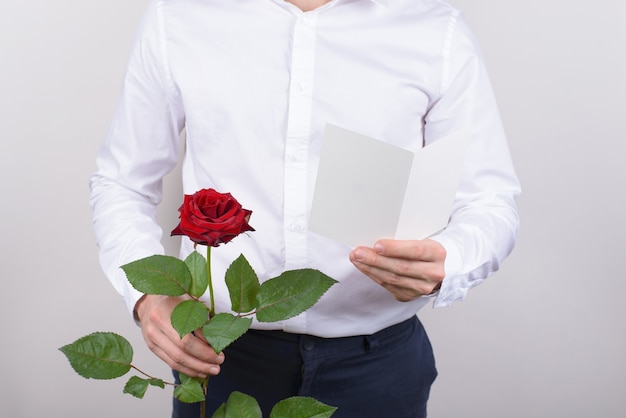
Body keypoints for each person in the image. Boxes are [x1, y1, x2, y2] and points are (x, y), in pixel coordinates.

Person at [89, 0, 520, 416]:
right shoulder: (180, 17)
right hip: (218, 355)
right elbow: (122, 181)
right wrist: (148, 296)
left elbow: (487, 199)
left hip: (378, 366)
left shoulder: (434, 28)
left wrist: (451, 260)